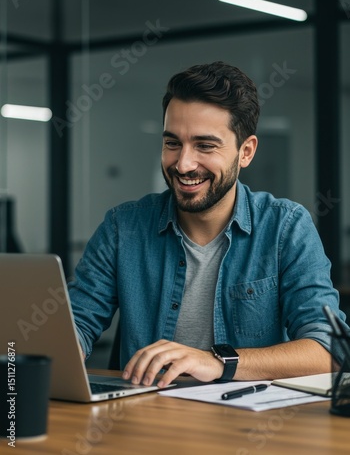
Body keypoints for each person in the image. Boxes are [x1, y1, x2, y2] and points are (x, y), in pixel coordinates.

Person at [68, 61, 348, 389]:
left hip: (249, 428)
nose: (184, 163)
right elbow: (76, 322)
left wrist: (218, 362)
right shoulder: (123, 227)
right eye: (173, 143)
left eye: (205, 146)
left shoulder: (285, 228)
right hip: (142, 420)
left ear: (246, 152)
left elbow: (329, 350)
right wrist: (56, 347)